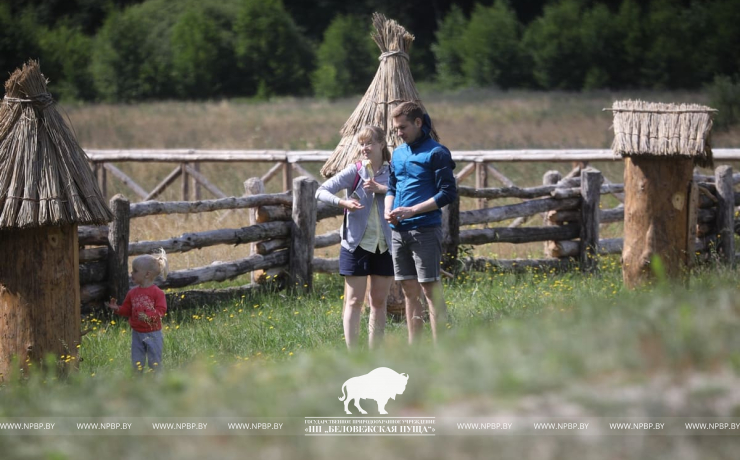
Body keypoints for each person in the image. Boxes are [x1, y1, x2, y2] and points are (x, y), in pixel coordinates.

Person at [384, 101, 457, 344]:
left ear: (418, 122)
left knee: (430, 291)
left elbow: (448, 193)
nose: (399, 133)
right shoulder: (398, 153)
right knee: (408, 292)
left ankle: (441, 349)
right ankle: (415, 349)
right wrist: (388, 210)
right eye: (396, 129)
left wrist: (413, 210)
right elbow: (392, 187)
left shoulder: (437, 153)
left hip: (424, 229)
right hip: (398, 231)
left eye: (402, 127)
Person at [316, 125, 394, 350]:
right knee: (353, 301)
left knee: (379, 302)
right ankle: (354, 356)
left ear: (381, 144)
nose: (364, 148)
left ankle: (374, 355)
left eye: (368, 143)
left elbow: (405, 195)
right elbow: (321, 191)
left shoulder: (394, 172)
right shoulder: (355, 171)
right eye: (361, 144)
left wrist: (381, 189)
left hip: (386, 245)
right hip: (355, 245)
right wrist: (343, 202)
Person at [108, 249, 169, 372]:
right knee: (137, 362)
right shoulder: (132, 293)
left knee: (155, 362)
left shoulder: (157, 293)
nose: (132, 273)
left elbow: (161, 311)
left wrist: (148, 316)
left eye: (135, 271)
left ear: (147, 274)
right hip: (137, 333)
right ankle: (138, 383)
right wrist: (118, 309)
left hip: (153, 333)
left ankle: (157, 383)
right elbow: (127, 310)